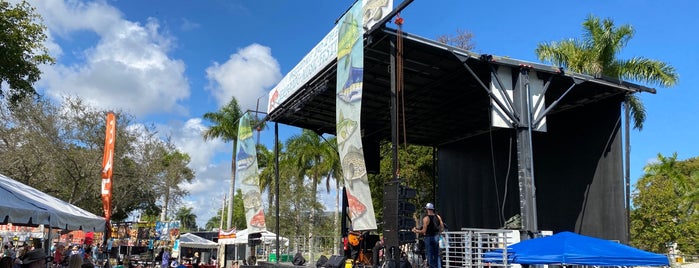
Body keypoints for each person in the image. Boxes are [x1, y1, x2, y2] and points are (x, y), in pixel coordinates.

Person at [412, 203, 444, 268]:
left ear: (427, 209)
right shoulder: (438, 217)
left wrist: (416, 231)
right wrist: (439, 232)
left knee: (430, 255)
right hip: (436, 237)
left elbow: (424, 231)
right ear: (432, 209)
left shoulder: (426, 218)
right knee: (436, 254)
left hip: (428, 237)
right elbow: (442, 227)